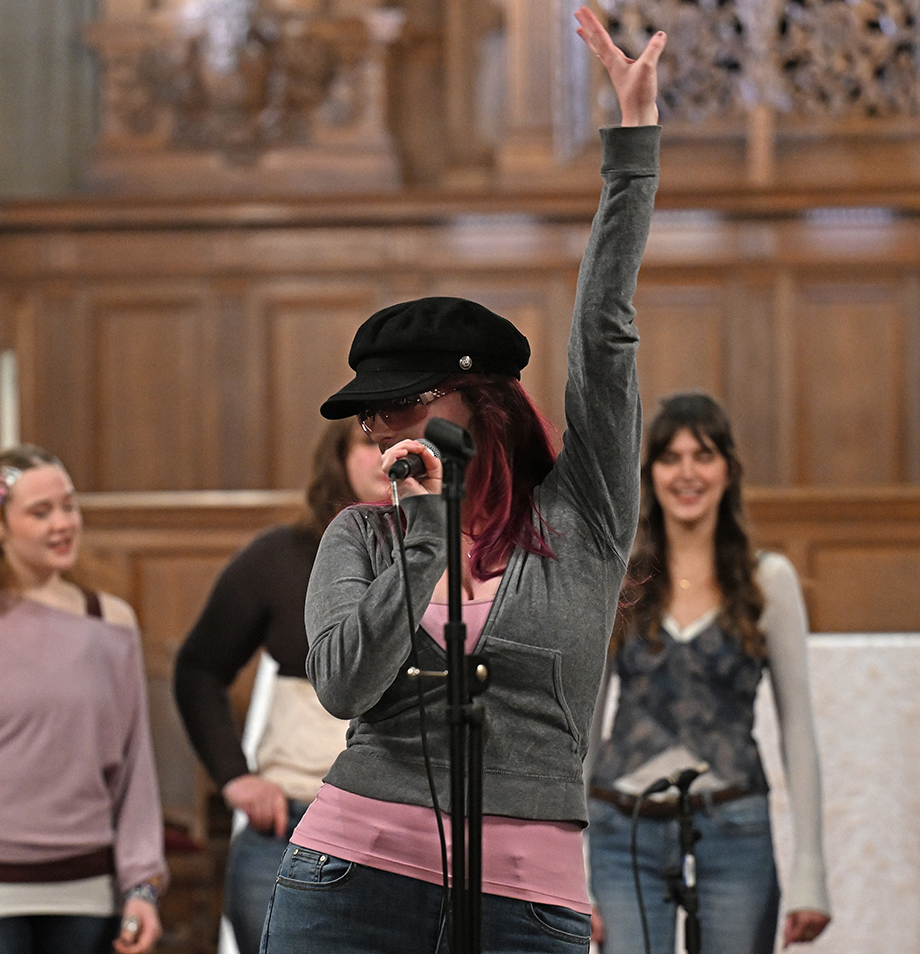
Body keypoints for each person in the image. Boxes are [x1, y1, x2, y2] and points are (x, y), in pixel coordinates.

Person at [257, 10, 666, 953]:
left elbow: (605, 336)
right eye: (367, 414)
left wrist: (632, 152)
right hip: (348, 878)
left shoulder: (583, 515)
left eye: (398, 402)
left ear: (476, 400)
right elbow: (343, 686)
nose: (376, 427)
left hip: (525, 900)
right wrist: (425, 535)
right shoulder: (364, 535)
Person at [0, 445, 168, 954]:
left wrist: (142, 887)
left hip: (85, 885)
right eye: (41, 512)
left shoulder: (109, 622)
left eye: (68, 506)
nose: (62, 524)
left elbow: (135, 771)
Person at [586, 393, 831, 953]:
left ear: (729, 469)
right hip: (623, 831)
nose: (687, 474)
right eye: (671, 458)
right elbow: (585, 728)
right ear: (651, 474)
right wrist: (569, 863)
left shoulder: (770, 580)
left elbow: (798, 729)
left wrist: (811, 871)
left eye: (704, 455)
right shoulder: (621, 580)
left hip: (734, 829)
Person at [173, 419, 392, 954]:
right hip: (290, 827)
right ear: (339, 456)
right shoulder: (281, 556)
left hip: (404, 833)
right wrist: (235, 778)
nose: (387, 456)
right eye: (370, 442)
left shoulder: (454, 559)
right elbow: (199, 668)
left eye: (400, 441)